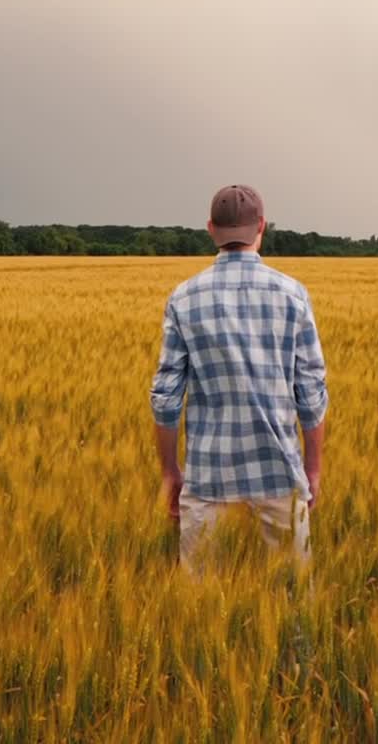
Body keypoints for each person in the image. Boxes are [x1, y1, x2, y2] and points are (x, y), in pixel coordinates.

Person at [149, 184, 328, 573]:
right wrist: (312, 468)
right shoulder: (293, 295)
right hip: (280, 474)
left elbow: (165, 398)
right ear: (261, 226)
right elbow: (311, 393)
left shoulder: (183, 298)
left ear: (211, 229)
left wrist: (170, 471)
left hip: (207, 478)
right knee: (292, 611)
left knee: (201, 615)